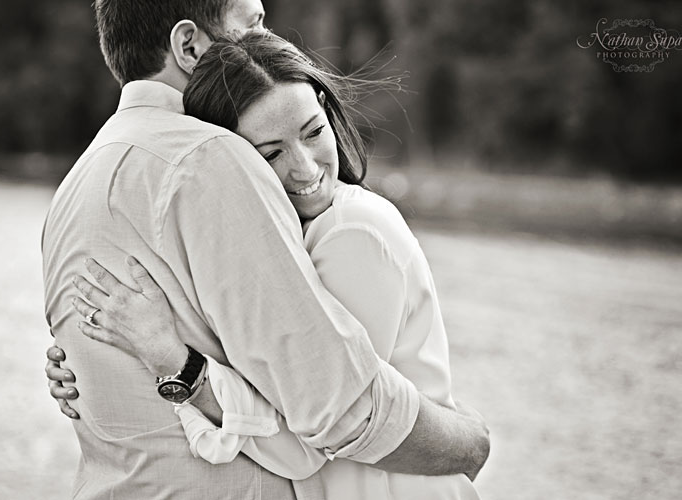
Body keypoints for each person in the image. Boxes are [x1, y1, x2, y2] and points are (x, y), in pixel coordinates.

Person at [42, 1, 489, 498]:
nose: (269, 38)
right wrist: (468, 441)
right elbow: (337, 410)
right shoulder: (209, 159)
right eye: (253, 23)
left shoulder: (79, 181)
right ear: (189, 46)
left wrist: (89, 369)